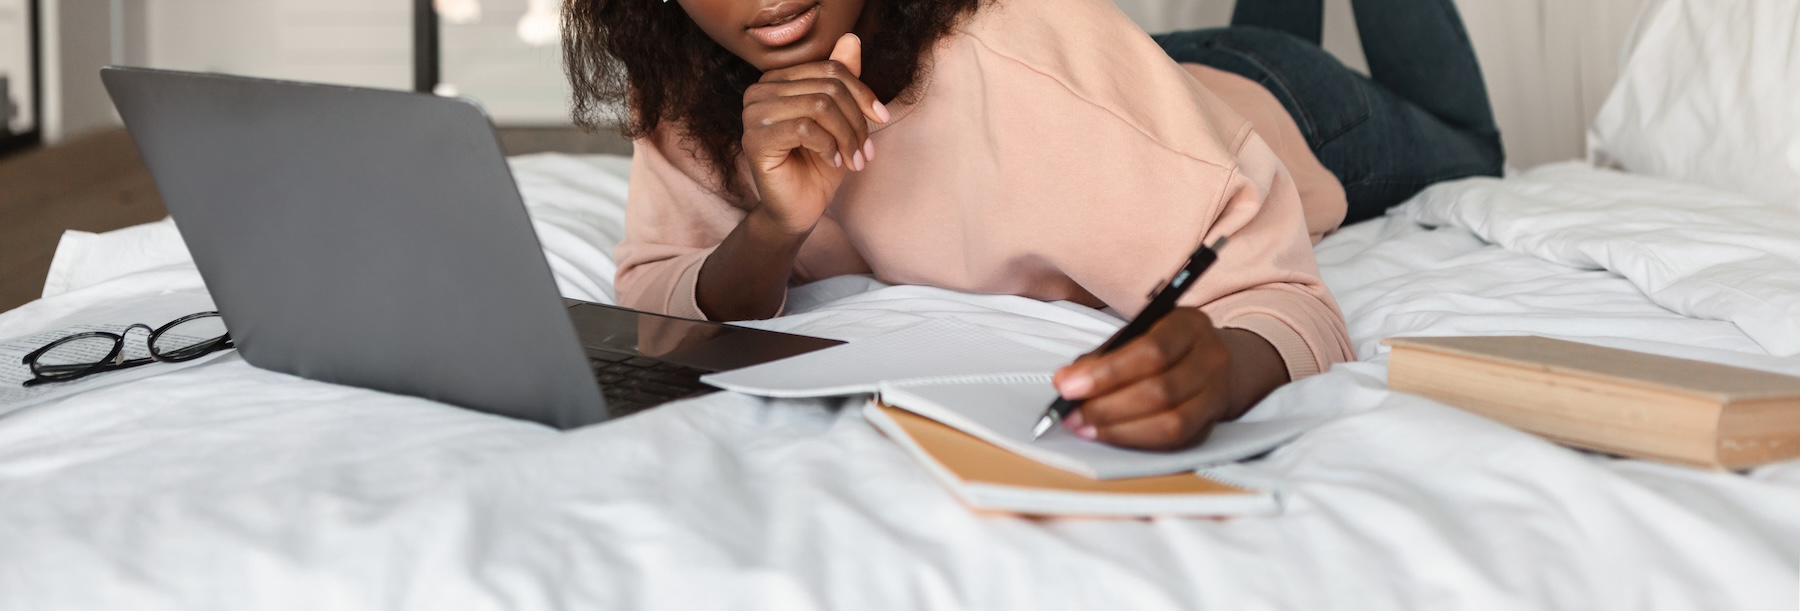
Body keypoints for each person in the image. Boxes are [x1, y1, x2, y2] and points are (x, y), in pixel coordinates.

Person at [562, 0, 1503, 450]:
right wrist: (773, 230)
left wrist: (1219, 370)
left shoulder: (1027, 57)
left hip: (1285, 106)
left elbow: (1285, 297)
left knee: (1469, 144)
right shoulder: (687, 73)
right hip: (1138, 79)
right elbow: (656, 288)